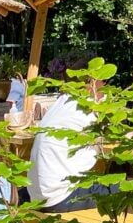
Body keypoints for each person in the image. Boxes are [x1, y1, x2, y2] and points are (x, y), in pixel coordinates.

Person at [27, 79, 116, 212]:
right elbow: (111, 135)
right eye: (104, 82)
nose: (105, 87)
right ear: (92, 83)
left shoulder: (61, 102)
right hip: (61, 198)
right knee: (131, 188)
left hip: (37, 197)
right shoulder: (85, 106)